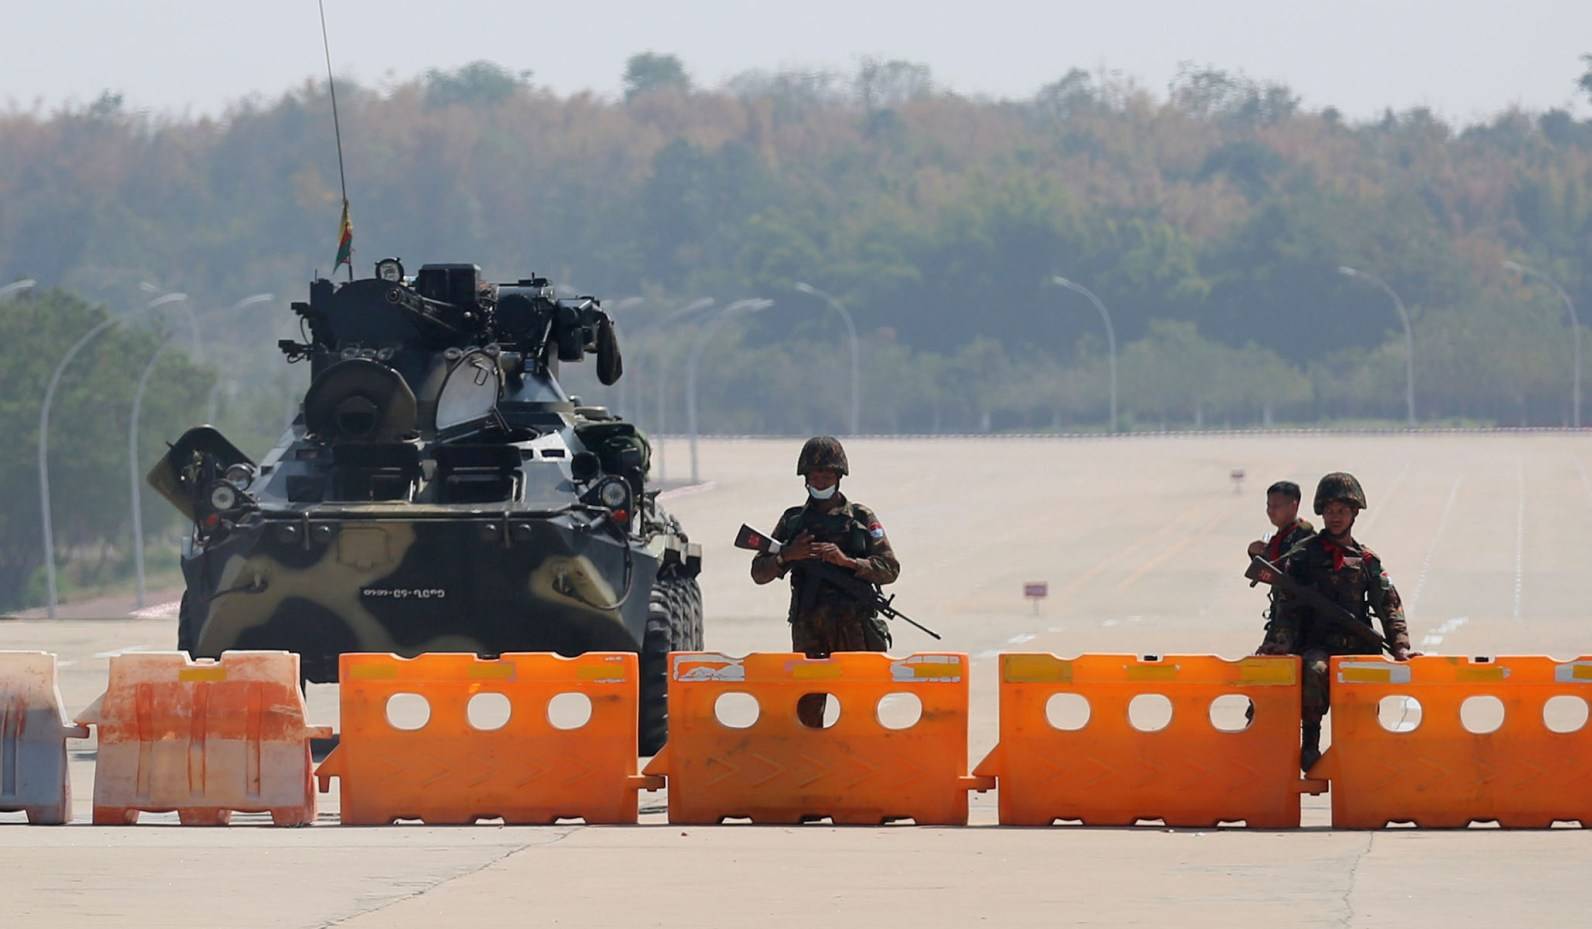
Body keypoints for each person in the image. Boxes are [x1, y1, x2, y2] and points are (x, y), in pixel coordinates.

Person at [1259, 472, 1414, 772]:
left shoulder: (1366, 559)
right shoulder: (1303, 555)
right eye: (1330, 511)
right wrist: (1280, 643)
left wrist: (1401, 646)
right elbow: (1287, 605)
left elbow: (1389, 604)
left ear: (1354, 513)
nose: (1335, 518)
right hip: (1318, 643)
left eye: (1342, 511)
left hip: (1358, 644)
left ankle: (1366, 747)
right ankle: (1311, 741)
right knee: (1315, 671)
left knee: (1367, 688)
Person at [750, 436, 900, 728]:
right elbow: (759, 572)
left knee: (860, 712)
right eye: (815, 476)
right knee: (807, 712)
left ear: (839, 478)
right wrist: (787, 556)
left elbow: (890, 568)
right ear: (805, 478)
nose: (820, 482)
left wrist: (847, 562)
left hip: (854, 628)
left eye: (827, 476)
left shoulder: (861, 518)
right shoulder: (793, 522)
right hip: (809, 630)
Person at [1248, 480, 1316, 651]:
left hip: (1301, 624)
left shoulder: (1303, 539)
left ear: (1294, 505)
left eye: (1276, 506)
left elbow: (1291, 579)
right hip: (1280, 620)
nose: (1271, 511)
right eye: (1269, 505)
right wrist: (1255, 553)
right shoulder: (1279, 538)